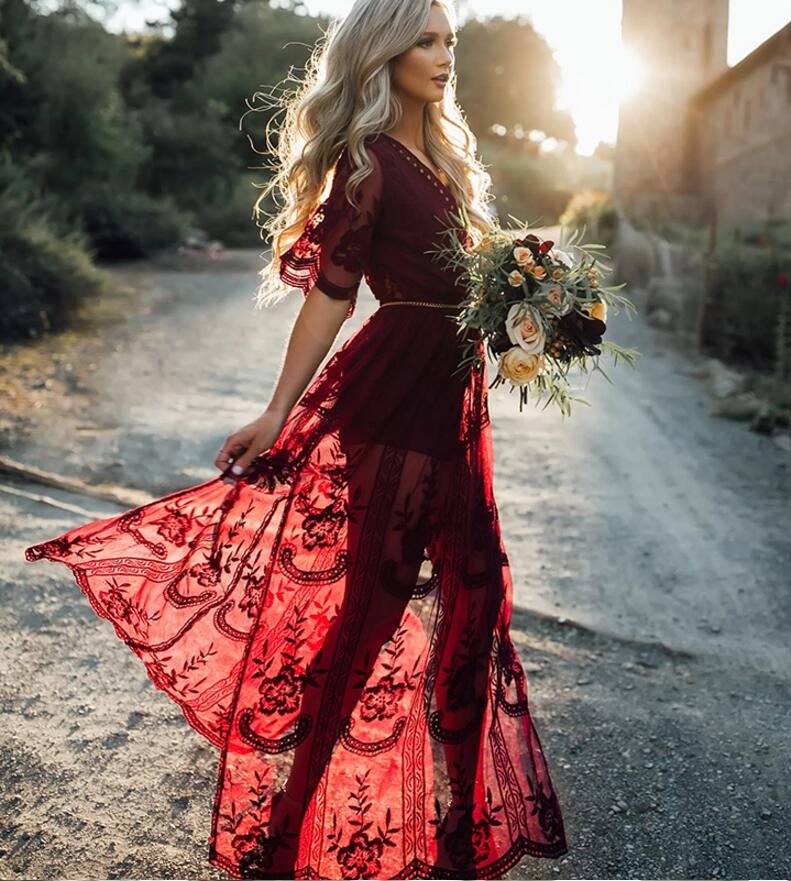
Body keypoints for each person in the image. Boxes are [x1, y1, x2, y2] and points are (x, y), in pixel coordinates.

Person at [23, 0, 569, 877]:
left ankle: (458, 824)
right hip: (390, 403)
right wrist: (278, 410)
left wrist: (527, 312)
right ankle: (287, 828)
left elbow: (452, 288)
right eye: (425, 40)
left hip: (451, 401)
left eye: (449, 42)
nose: (443, 56)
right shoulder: (371, 164)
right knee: (373, 611)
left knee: (478, 594)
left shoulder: (443, 157)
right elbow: (332, 294)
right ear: (385, 51)